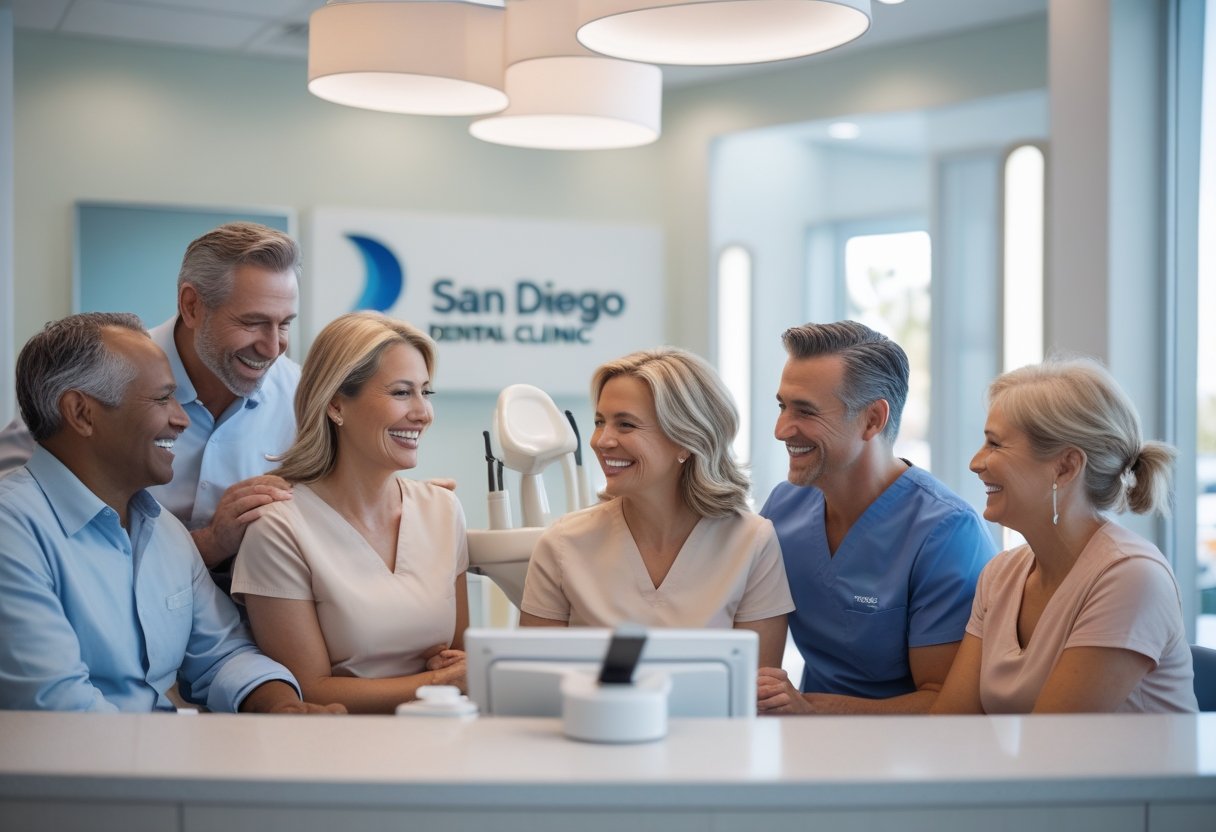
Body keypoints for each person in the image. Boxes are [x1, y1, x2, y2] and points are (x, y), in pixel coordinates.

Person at [0, 313, 341, 714]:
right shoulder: (13, 531)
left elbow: (224, 654)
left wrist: (280, 706)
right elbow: (60, 708)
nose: (181, 419)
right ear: (81, 413)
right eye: (162, 399)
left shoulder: (162, 528)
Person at [0, 222, 301, 577]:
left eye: (284, 324)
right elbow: (13, 505)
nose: (272, 347)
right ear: (191, 305)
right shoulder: (102, 371)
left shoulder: (301, 396)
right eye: (252, 322)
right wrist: (207, 544)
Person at [231, 312, 469, 714]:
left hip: (441, 733)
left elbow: (461, 658)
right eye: (401, 393)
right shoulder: (278, 528)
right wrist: (437, 683)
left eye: (426, 393)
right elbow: (306, 690)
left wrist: (456, 675)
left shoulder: (443, 511)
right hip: (337, 740)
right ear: (336, 403)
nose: (423, 413)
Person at [931, 359, 1197, 713]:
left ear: (1066, 466)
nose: (976, 462)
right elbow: (950, 724)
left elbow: (1052, 744)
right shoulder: (999, 575)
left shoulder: (1132, 576)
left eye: (994, 444)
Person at [756, 321, 994, 714]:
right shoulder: (784, 507)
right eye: (783, 406)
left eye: (806, 411)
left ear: (872, 420)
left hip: (908, 749)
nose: (781, 430)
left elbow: (947, 705)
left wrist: (813, 710)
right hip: (805, 737)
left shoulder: (947, 533)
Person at [519, 347, 794, 668]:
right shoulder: (562, 543)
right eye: (599, 422)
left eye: (626, 425)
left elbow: (757, 687)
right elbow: (532, 677)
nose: (601, 441)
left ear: (686, 440)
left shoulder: (752, 542)